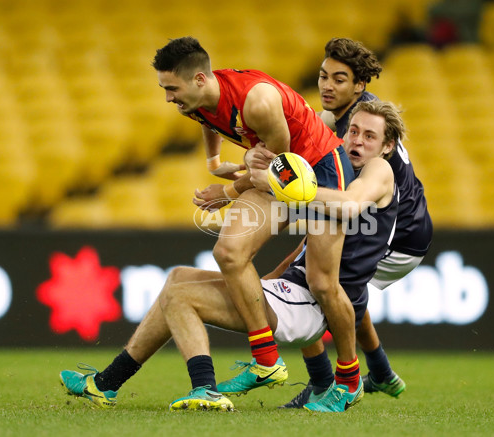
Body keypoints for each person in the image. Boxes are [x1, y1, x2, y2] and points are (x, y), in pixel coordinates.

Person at [59, 100, 401, 413]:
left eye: (369, 136)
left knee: (181, 296)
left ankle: (207, 388)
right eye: (353, 131)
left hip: (311, 308)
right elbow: (304, 246)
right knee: (177, 278)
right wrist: (252, 171)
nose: (357, 141)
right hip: (296, 295)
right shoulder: (332, 172)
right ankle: (105, 384)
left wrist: (283, 187)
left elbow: (351, 204)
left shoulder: (378, 171)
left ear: (386, 147)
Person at [153, 37, 365, 403]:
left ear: (200, 79)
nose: (168, 97)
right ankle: (266, 359)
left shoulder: (258, 102)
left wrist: (229, 192)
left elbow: (279, 170)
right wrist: (215, 164)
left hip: (321, 170)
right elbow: (208, 120)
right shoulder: (195, 99)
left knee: (322, 283)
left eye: (172, 88)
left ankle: (349, 377)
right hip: (279, 174)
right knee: (230, 253)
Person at [279, 37, 433, 408]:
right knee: (328, 283)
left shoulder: (359, 122)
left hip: (398, 230)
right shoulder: (352, 113)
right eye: (322, 76)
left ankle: (326, 383)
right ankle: (379, 371)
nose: (327, 86)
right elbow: (300, 136)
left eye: (339, 79)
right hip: (398, 221)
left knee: (311, 282)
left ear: (359, 85)